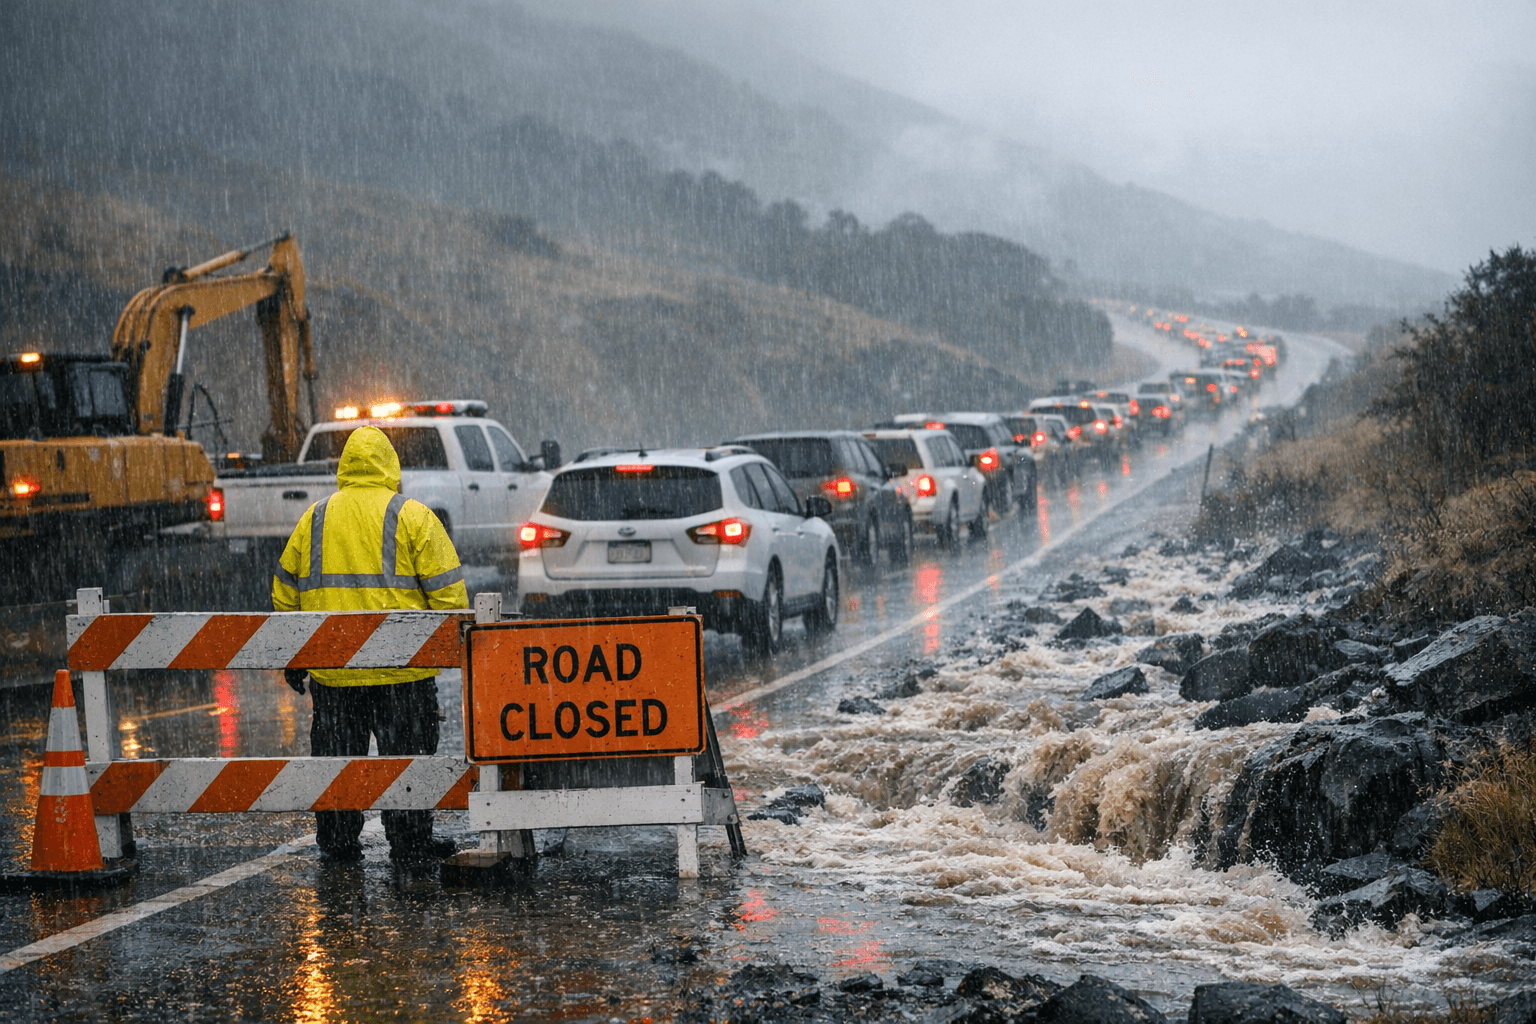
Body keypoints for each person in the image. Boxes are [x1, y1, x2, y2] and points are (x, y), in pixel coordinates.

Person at [272, 425, 469, 864]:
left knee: (337, 766)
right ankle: (410, 842)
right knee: (407, 764)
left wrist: (296, 654)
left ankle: (338, 843)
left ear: (344, 467)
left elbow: (285, 592)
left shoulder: (315, 519)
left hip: (335, 676)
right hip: (404, 676)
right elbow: (451, 601)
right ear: (390, 466)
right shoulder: (412, 516)